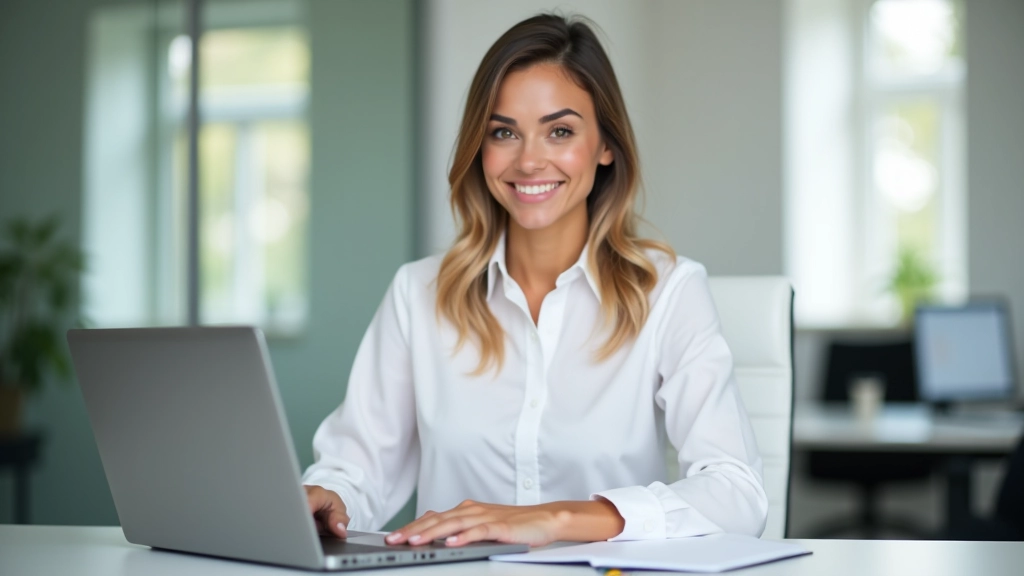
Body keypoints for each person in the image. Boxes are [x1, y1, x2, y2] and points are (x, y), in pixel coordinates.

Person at [302, 13, 767, 548]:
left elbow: (737, 493)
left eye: (560, 131)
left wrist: (554, 519)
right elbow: (358, 468)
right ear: (480, 148)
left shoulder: (669, 291)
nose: (528, 161)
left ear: (606, 145)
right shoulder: (418, 293)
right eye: (504, 133)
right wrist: (332, 496)